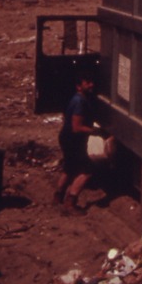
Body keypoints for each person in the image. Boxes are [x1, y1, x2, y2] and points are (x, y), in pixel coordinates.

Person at [55, 72, 101, 214]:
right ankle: (70, 202)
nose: (91, 85)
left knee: (69, 168)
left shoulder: (77, 99)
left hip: (66, 137)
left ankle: (58, 196)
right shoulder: (80, 102)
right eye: (87, 83)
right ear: (79, 86)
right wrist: (94, 131)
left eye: (91, 82)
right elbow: (77, 127)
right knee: (86, 170)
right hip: (73, 140)